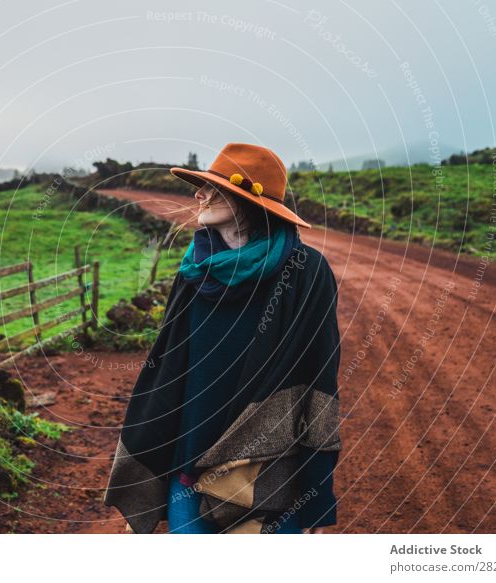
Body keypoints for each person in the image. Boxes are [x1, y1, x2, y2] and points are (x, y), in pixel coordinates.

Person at [104, 143, 343, 535]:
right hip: (190, 475)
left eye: (212, 188)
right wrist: (152, 485)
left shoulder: (306, 272)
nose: (198, 194)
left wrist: (316, 495)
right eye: (200, 186)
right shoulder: (194, 272)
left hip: (269, 479)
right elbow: (167, 374)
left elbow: (319, 384)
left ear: (248, 200)